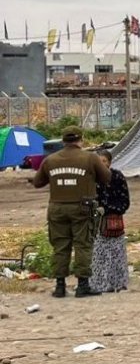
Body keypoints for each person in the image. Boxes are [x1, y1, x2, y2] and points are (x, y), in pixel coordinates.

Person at [30, 127, 111, 298]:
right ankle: (82, 285)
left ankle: (60, 286)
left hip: (57, 207)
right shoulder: (90, 158)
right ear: (80, 140)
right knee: (83, 244)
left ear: (63, 140)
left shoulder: (50, 160)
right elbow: (106, 178)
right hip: (83, 207)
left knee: (60, 246)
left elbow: (37, 182)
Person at [89, 150, 131, 293]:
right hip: (98, 223)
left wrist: (109, 209)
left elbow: (125, 200)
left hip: (115, 221)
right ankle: (100, 284)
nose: (102, 164)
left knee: (117, 254)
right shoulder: (93, 178)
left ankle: (118, 284)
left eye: (104, 161)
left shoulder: (118, 176)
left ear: (110, 162)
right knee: (100, 254)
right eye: (99, 161)